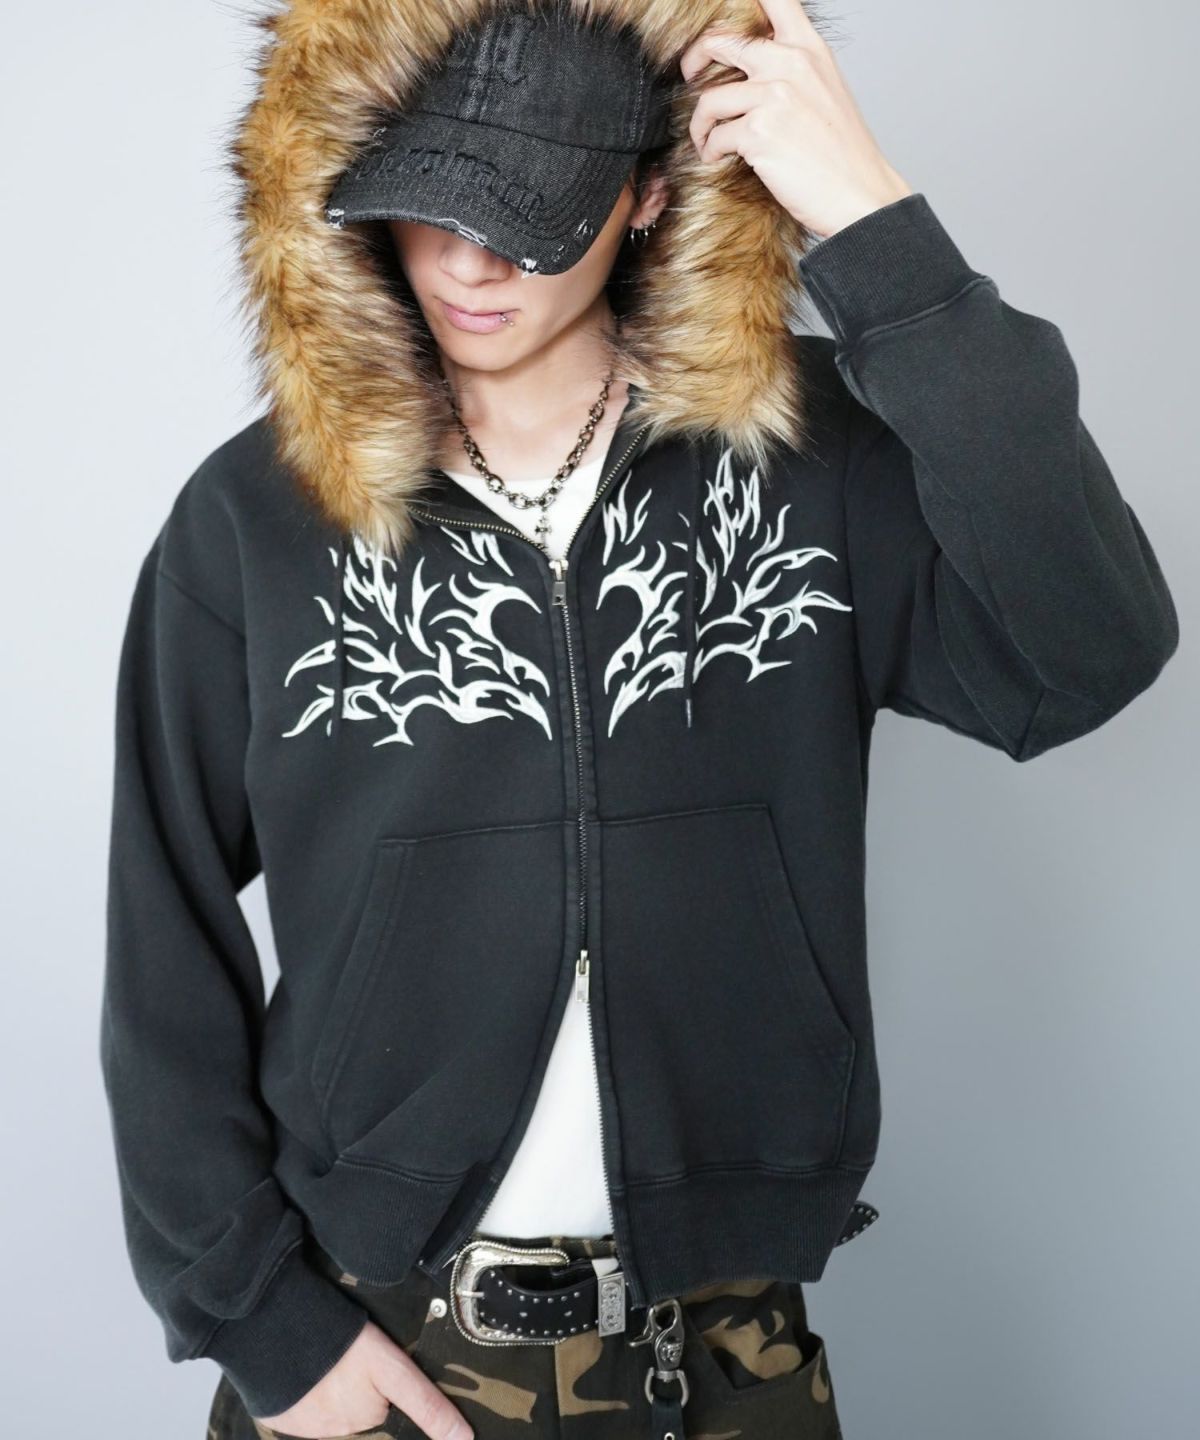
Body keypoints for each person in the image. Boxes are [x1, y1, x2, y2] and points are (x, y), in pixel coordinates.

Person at [100, 2, 1180, 1439]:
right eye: (430, 206)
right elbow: (159, 922)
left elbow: (1088, 655)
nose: (470, 264)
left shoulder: (808, 460)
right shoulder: (260, 517)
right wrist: (259, 1323)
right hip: (379, 1349)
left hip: (720, 1358)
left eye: (528, 216)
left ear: (649, 194)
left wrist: (881, 237)